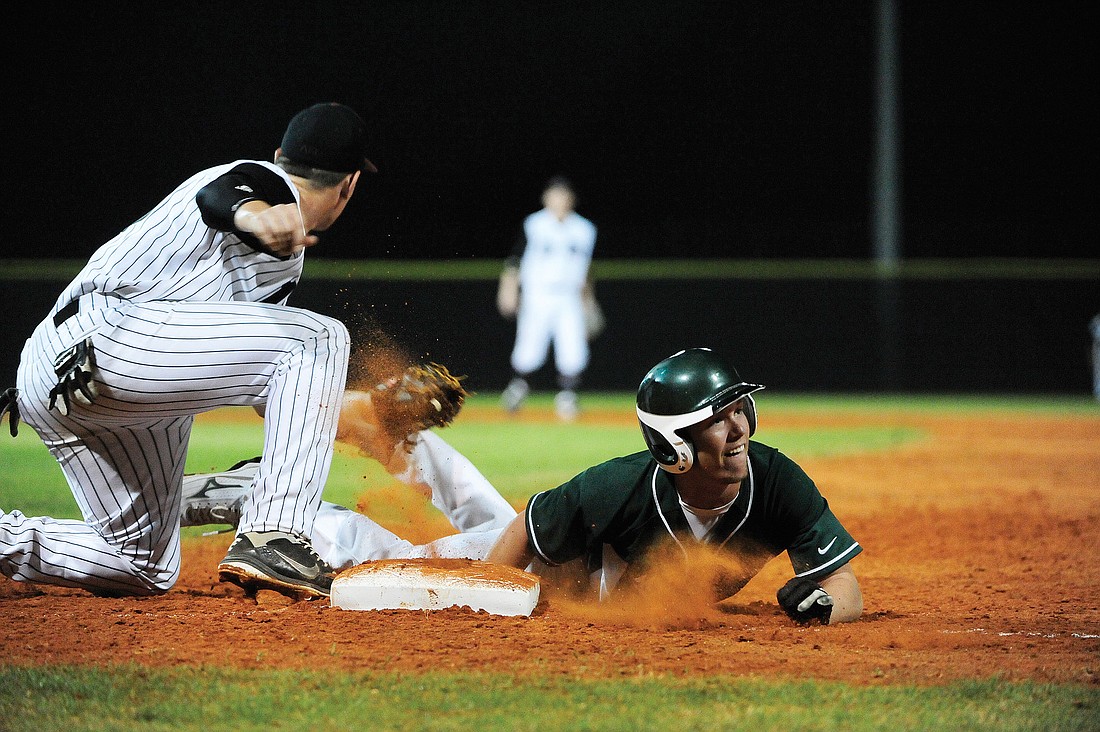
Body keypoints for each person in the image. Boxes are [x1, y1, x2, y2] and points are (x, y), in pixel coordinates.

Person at [0, 102, 376, 600]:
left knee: (141, 566)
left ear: (283, 150)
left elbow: (282, 392)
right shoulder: (259, 181)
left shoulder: (282, 260)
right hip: (110, 336)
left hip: (67, 379)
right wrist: (254, 215)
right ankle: (274, 535)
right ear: (349, 185)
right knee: (321, 336)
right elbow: (220, 196)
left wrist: (376, 412)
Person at [487, 347, 865, 624]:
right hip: (535, 571)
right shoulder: (616, 488)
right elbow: (524, 527)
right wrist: (487, 600)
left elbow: (841, 580)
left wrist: (825, 605)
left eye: (740, 409)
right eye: (718, 419)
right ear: (674, 443)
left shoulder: (778, 484)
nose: (739, 429)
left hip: (614, 623)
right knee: (436, 566)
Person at [497, 176, 598, 421]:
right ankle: (517, 389)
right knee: (529, 347)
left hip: (569, 296)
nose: (560, 200)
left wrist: (589, 302)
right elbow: (515, 259)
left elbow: (585, 271)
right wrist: (508, 288)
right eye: (555, 195)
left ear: (572, 199)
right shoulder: (534, 224)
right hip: (537, 294)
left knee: (573, 348)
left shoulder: (585, 229)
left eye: (564, 195)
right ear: (546, 198)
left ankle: (567, 398)